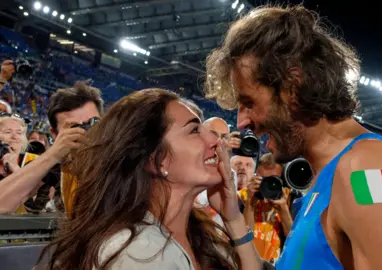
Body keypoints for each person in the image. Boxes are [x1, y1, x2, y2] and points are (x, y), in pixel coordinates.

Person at [205, 5, 382, 269]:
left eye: (248, 102)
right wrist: (233, 217)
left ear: (292, 88)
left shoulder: (367, 171)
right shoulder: (331, 173)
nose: (242, 121)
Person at [38, 88, 263, 269]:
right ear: (156, 159)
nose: (216, 142)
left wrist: (233, 219)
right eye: (195, 131)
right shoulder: (137, 253)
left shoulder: (201, 233)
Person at [0, 81, 101, 214]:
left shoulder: (121, 164)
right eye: (75, 127)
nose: (85, 132)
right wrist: (52, 156)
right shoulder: (51, 169)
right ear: (54, 135)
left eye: (93, 123)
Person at [239, 153, 293, 263]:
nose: (268, 185)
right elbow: (244, 238)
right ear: (255, 176)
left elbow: (295, 241)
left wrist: (283, 210)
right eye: (263, 179)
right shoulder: (241, 197)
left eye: (274, 180)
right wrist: (250, 203)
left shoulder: (290, 198)